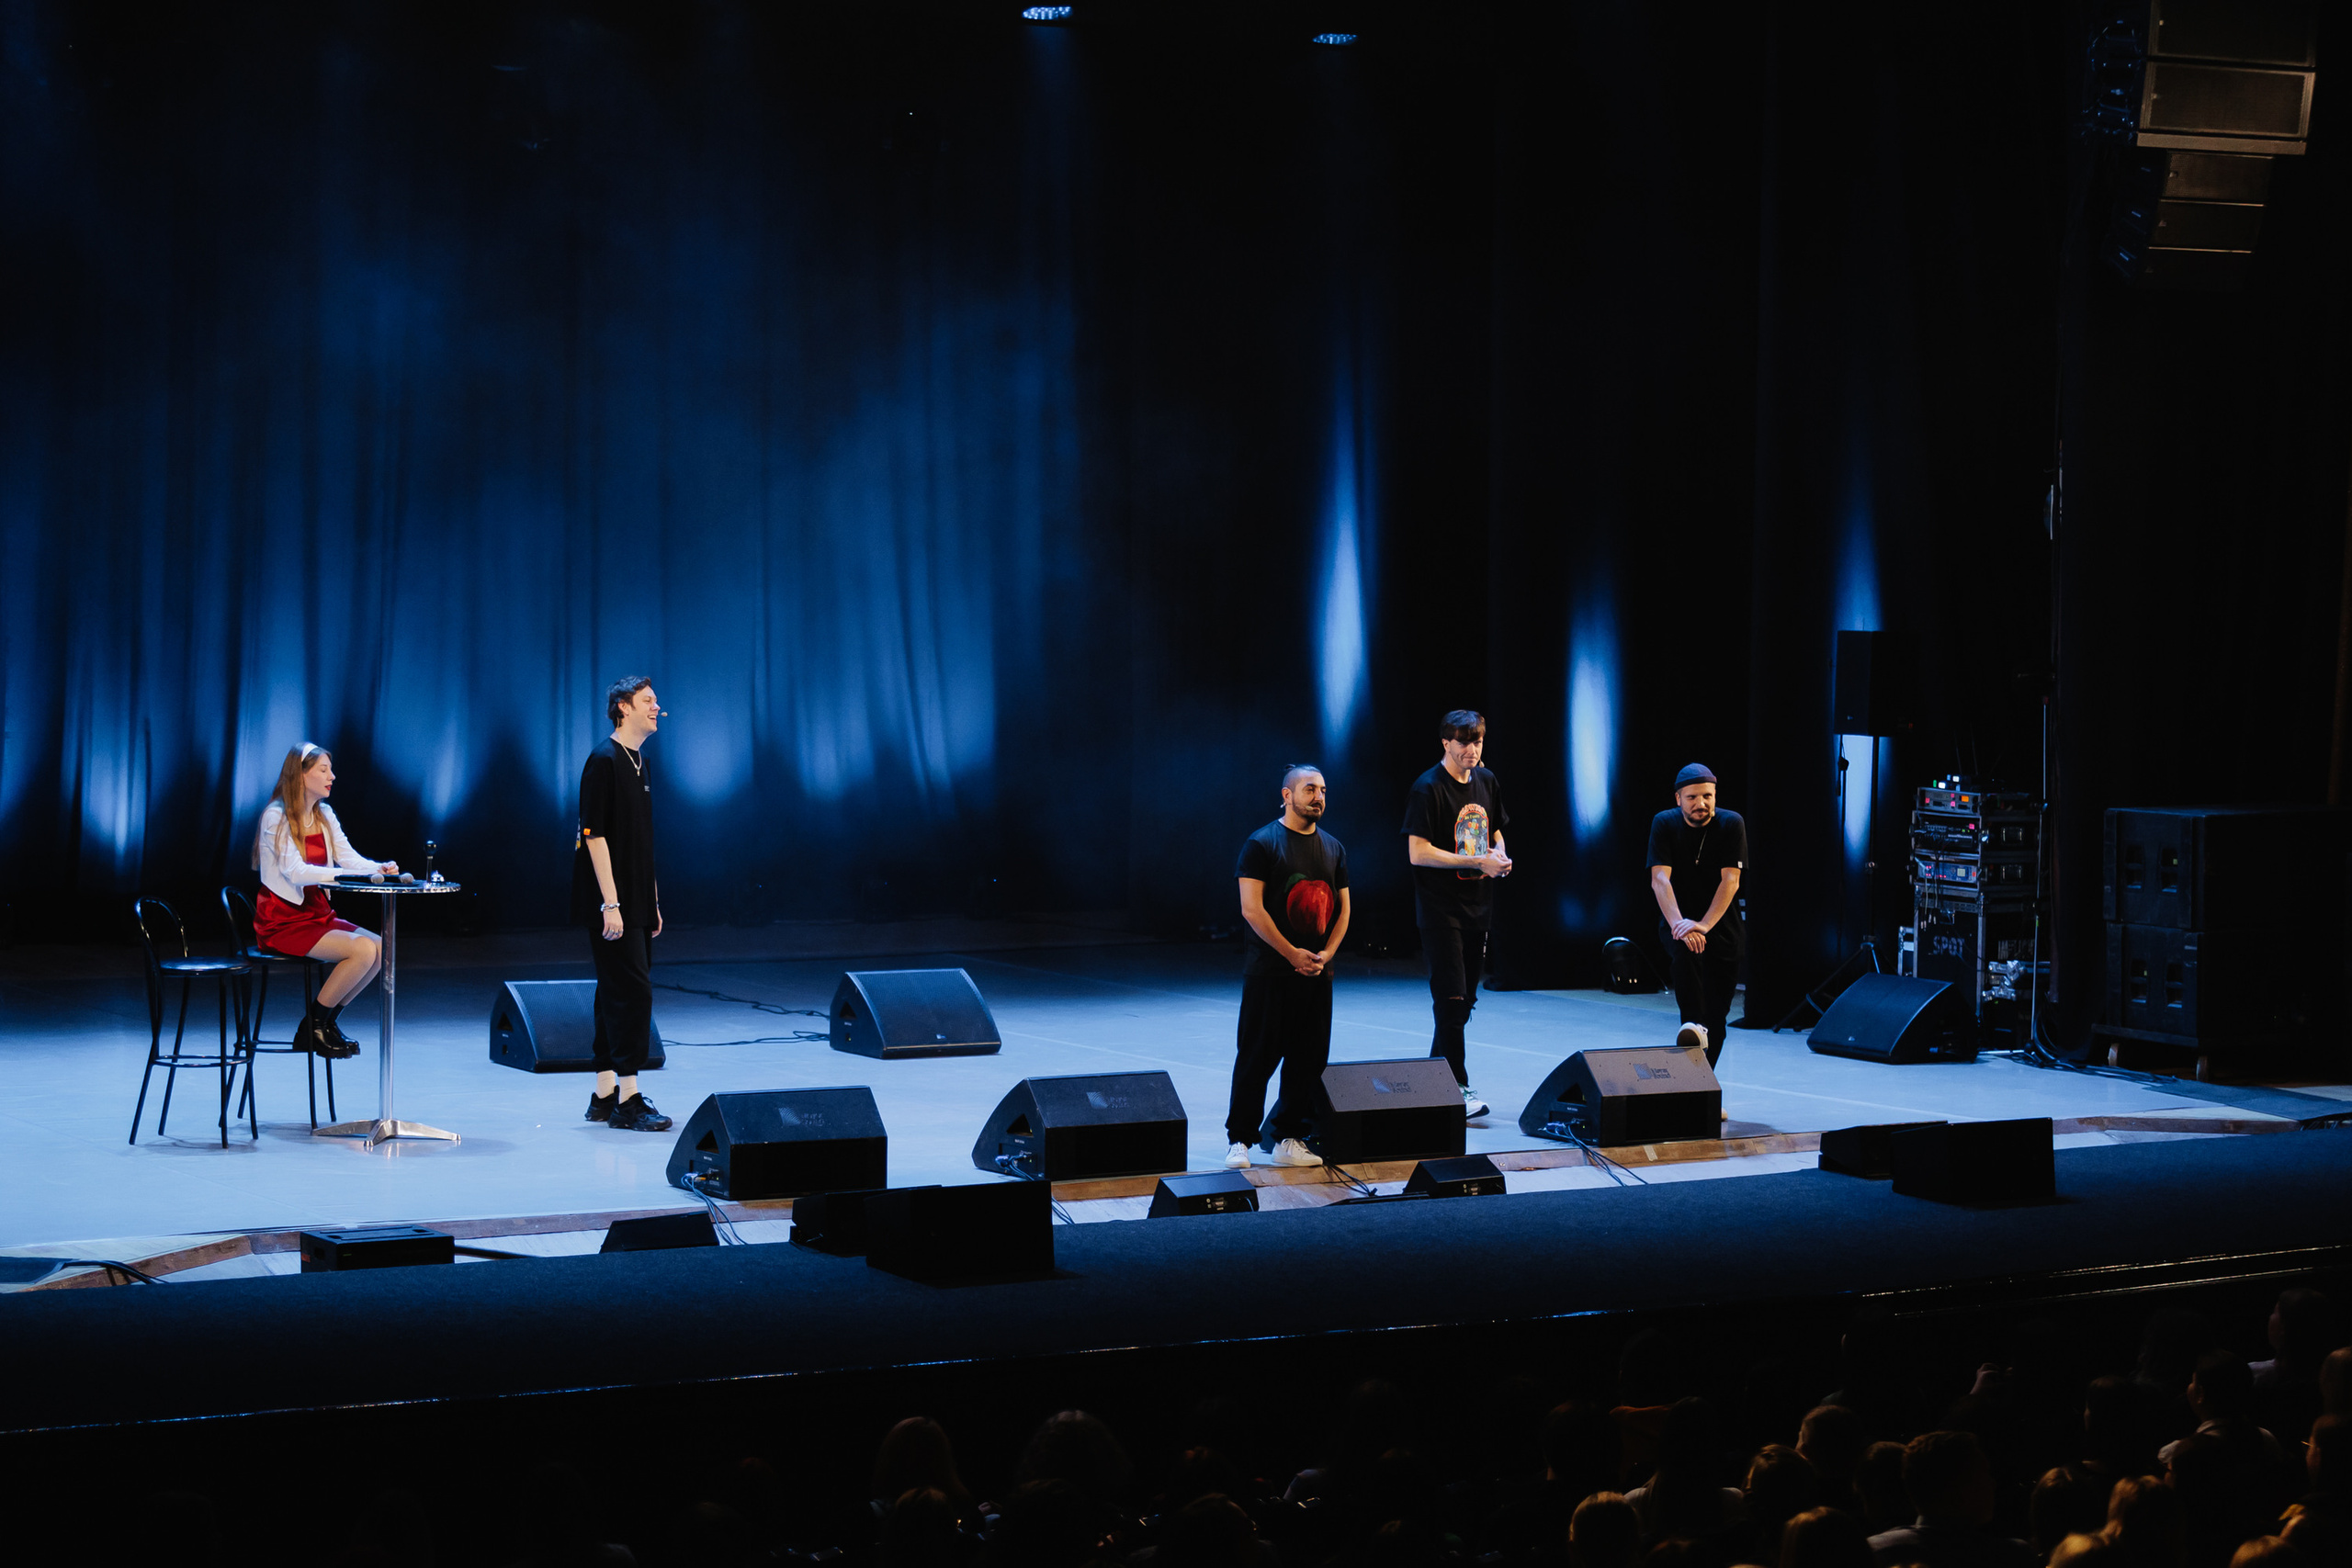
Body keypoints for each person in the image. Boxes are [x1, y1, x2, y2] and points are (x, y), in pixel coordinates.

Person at [1229, 765, 1351, 1168]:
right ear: (1287, 795)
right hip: (1271, 972)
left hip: (1316, 973)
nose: (1319, 797)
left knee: (1309, 1059)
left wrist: (1327, 954)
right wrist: (1291, 954)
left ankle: (1288, 1138)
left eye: (1323, 790)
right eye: (1310, 789)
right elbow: (1252, 909)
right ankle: (1241, 1141)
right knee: (1257, 1056)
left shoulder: (1333, 848)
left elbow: (1344, 907)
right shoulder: (1262, 844)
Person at [252, 742, 396, 1058]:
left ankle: (327, 1022)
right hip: (283, 919)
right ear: (301, 775)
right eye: (323, 770)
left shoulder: (324, 814)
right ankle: (311, 1027)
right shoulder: (276, 816)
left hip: (317, 913)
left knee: (384, 948)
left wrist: (379, 868)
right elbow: (296, 871)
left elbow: (348, 858)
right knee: (360, 950)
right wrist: (339, 875)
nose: (332, 776)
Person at [1401, 710, 1511, 1120]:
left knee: (1463, 1003)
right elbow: (1418, 852)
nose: (1472, 749)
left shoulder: (1486, 780)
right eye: (1464, 741)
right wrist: (1477, 861)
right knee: (1449, 998)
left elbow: (1496, 827)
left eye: (1478, 741)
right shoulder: (1428, 789)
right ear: (1445, 743)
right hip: (1440, 910)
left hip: (1477, 908)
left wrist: (1498, 854)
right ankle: (1458, 1085)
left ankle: (1433, 1081)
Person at [572, 676, 672, 1133]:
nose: (657, 707)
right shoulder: (603, 760)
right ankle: (630, 1100)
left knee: (613, 991)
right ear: (622, 707)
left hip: (633, 898)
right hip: (609, 900)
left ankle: (604, 1091)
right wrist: (610, 903)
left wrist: (650, 900)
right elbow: (593, 836)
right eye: (648, 701)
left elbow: (644, 841)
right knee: (633, 992)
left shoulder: (640, 761)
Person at [1646, 763, 1745, 1068]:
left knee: (1717, 1017)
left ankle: (1704, 1091)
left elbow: (1730, 881)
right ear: (1679, 799)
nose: (1701, 804)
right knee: (1686, 959)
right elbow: (1660, 880)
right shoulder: (1664, 823)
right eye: (1692, 797)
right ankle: (1691, 1023)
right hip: (1678, 920)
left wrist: (1702, 925)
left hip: (1720, 926)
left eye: (1707, 796)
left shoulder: (1731, 823)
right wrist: (1680, 925)